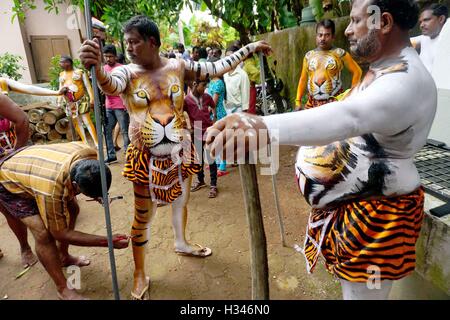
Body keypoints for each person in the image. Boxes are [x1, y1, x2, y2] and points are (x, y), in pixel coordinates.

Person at [207, 0, 435, 300]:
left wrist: (262, 128)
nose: (349, 30)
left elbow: (349, 117)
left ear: (385, 22)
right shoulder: (385, 66)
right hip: (355, 212)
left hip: (378, 219)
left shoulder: (406, 80)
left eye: (355, 21)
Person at [79, 14, 271, 299]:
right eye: (126, 43)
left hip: (180, 150)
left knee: (182, 199)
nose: (128, 48)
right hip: (145, 154)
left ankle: (181, 242)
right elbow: (110, 85)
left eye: (134, 42)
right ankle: (139, 272)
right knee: (143, 216)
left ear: (152, 42)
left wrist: (250, 48)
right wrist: (97, 68)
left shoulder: (178, 67)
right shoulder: (126, 73)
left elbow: (217, 67)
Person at [0, 142, 130, 299]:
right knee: (43, 234)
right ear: (74, 185)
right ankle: (63, 289)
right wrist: (107, 241)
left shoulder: (89, 154)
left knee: (74, 209)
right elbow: (60, 233)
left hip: (34, 165)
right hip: (8, 180)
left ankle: (63, 256)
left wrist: (99, 194)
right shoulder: (52, 189)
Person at [0, 78, 65, 267]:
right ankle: (24, 247)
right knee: (8, 210)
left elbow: (28, 89)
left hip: (15, 152)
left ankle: (54, 245)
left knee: (31, 198)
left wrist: (57, 92)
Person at [295, 19, 362, 110]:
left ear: (333, 37)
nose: (323, 38)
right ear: (316, 36)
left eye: (327, 35)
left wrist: (353, 93)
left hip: (336, 102)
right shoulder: (308, 56)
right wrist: (298, 101)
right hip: (312, 103)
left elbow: (357, 71)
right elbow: (303, 79)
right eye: (320, 35)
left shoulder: (340, 53)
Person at [184, 78, 219, 198]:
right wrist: (187, 126)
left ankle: (213, 185)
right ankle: (201, 180)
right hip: (197, 130)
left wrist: (214, 118)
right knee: (198, 158)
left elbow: (213, 106)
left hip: (209, 129)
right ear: (194, 84)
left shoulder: (207, 97)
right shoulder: (186, 100)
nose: (204, 88)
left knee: (211, 158)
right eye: (203, 85)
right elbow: (179, 112)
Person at [57, 55, 98, 147]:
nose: (61, 64)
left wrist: (92, 98)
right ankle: (85, 143)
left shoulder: (79, 72)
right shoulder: (61, 75)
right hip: (70, 103)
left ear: (69, 62)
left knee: (87, 121)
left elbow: (87, 86)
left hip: (81, 100)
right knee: (77, 122)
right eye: (60, 62)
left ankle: (96, 143)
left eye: (63, 62)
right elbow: (60, 88)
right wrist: (59, 102)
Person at [103, 44, 131, 164]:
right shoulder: (103, 69)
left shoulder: (122, 68)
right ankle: (111, 155)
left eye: (110, 56)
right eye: (106, 56)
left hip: (121, 106)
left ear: (115, 56)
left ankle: (129, 154)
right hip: (109, 105)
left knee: (125, 131)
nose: (108, 59)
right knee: (107, 130)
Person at [411, 3, 448, 74]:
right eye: (420, 22)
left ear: (441, 19)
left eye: (426, 20)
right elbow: (405, 42)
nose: (421, 25)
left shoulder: (446, 40)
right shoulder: (425, 38)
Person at [207, 57, 228, 176]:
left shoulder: (218, 83)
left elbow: (213, 103)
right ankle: (218, 163)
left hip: (218, 115)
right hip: (213, 115)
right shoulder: (212, 82)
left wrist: (206, 110)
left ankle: (223, 166)